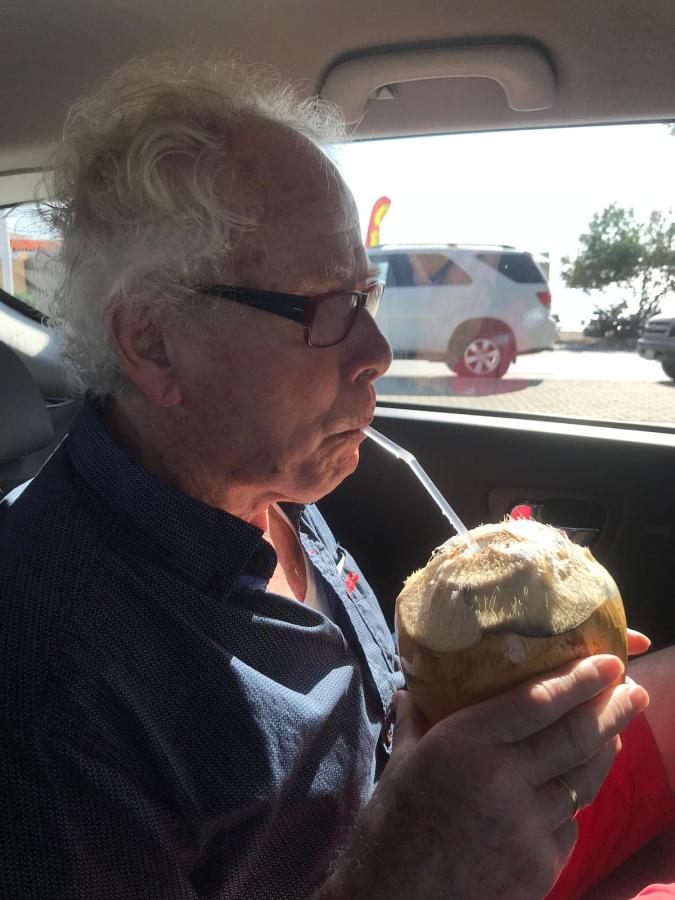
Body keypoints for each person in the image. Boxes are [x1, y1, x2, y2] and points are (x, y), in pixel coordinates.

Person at [0, 54, 667, 899]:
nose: (376, 352)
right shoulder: (51, 692)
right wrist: (401, 868)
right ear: (154, 343)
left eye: (365, 295)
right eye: (322, 305)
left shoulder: (265, 478)